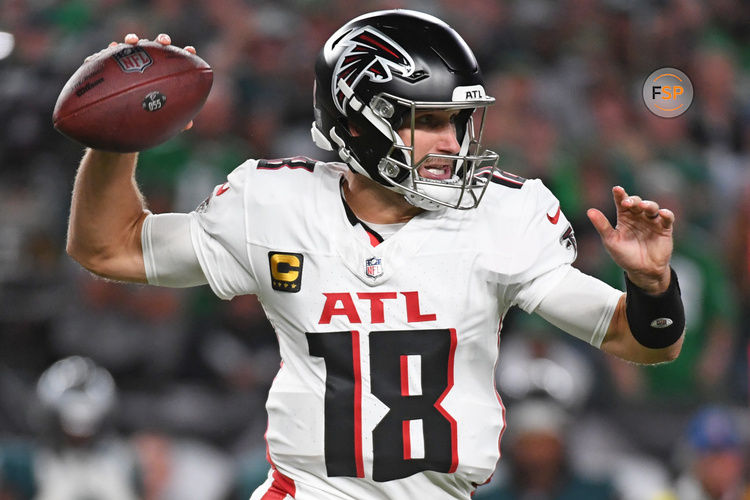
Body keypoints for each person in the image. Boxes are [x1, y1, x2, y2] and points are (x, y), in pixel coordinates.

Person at [64, 9, 685, 500]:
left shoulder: (503, 215)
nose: (453, 143)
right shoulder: (274, 202)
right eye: (431, 121)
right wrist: (120, 139)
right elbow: (106, 247)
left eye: (460, 122)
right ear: (359, 122)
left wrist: (653, 284)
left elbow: (649, 342)